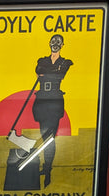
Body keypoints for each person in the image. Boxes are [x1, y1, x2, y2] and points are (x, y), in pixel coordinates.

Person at [32, 34, 73, 187]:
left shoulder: (66, 62)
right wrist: (52, 71)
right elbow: (39, 69)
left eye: (59, 42)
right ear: (49, 43)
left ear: (62, 45)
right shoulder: (42, 60)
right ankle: (46, 167)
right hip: (42, 102)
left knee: (50, 138)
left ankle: (48, 169)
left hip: (54, 103)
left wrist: (48, 73)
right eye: (53, 41)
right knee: (44, 137)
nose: (55, 44)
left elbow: (60, 74)